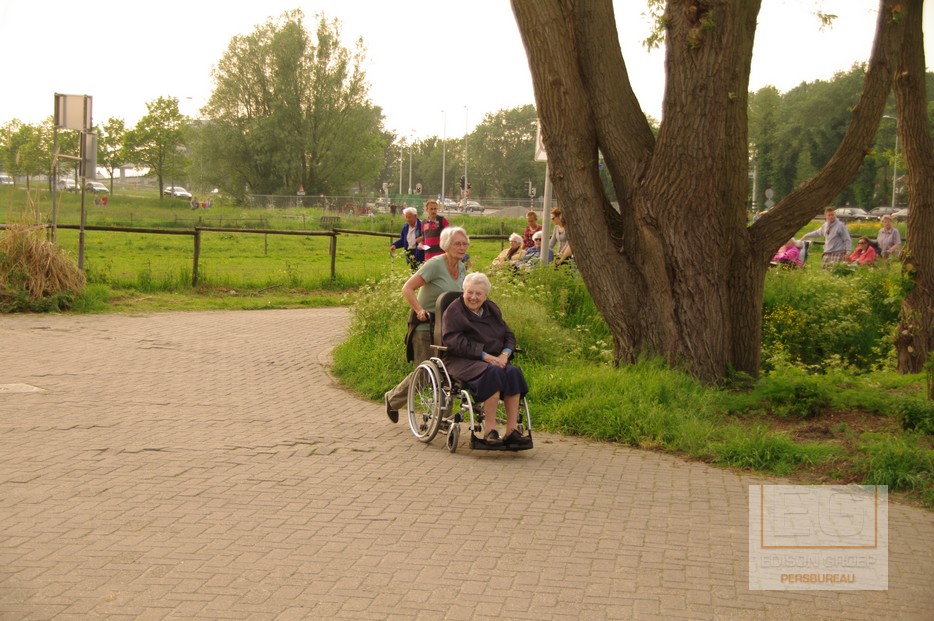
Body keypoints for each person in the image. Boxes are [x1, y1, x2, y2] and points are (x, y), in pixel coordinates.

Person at [384, 226, 470, 422]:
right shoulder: (435, 265)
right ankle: (392, 399)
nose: (462, 247)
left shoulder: (461, 267)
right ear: (446, 245)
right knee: (425, 374)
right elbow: (407, 288)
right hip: (425, 325)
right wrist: (419, 310)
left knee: (447, 373)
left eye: (464, 244)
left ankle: (443, 419)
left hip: (447, 329)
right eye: (457, 244)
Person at [442, 272, 531, 448]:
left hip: (494, 359)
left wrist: (505, 354)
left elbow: (508, 335)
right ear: (463, 291)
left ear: (485, 295)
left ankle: (512, 431)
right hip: (462, 359)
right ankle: (490, 431)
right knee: (494, 372)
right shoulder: (454, 311)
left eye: (478, 293)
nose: (473, 297)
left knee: (513, 372)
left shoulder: (492, 309)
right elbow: (455, 342)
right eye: (470, 292)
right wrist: (486, 357)